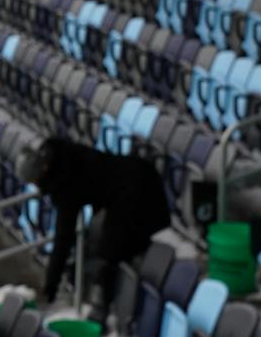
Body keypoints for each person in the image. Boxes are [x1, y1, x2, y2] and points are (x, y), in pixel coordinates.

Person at [25, 137, 170, 323]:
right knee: (104, 243)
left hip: (136, 192)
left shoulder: (65, 184)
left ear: (44, 170)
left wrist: (50, 285)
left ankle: (102, 311)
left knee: (110, 253)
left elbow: (63, 238)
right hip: (137, 173)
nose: (37, 187)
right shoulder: (60, 153)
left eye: (36, 182)